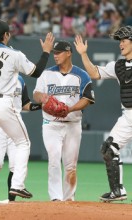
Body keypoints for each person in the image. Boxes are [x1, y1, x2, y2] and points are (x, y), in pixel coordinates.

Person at [0, 19, 54, 203]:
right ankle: (17, 185)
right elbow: (36, 72)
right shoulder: (13, 54)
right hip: (3, 102)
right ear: (6, 35)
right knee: (23, 143)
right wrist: (46, 51)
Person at [74, 26, 132, 202]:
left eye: (124, 40)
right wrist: (83, 54)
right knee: (108, 150)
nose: (120, 44)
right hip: (128, 115)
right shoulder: (119, 66)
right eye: (119, 41)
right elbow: (94, 73)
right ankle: (117, 191)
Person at [33, 40, 95, 201]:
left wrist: (70, 109)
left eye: (59, 52)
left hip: (73, 125)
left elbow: (87, 99)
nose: (55, 55)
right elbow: (36, 93)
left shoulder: (82, 75)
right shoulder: (46, 74)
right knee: (54, 159)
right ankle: (55, 199)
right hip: (51, 124)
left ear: (68, 53)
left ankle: (68, 200)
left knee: (70, 166)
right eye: (54, 52)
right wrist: (42, 97)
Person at [0, 75, 42, 202]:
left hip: (15, 125)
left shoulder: (20, 80)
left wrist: (41, 106)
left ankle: (11, 201)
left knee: (16, 166)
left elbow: (25, 104)